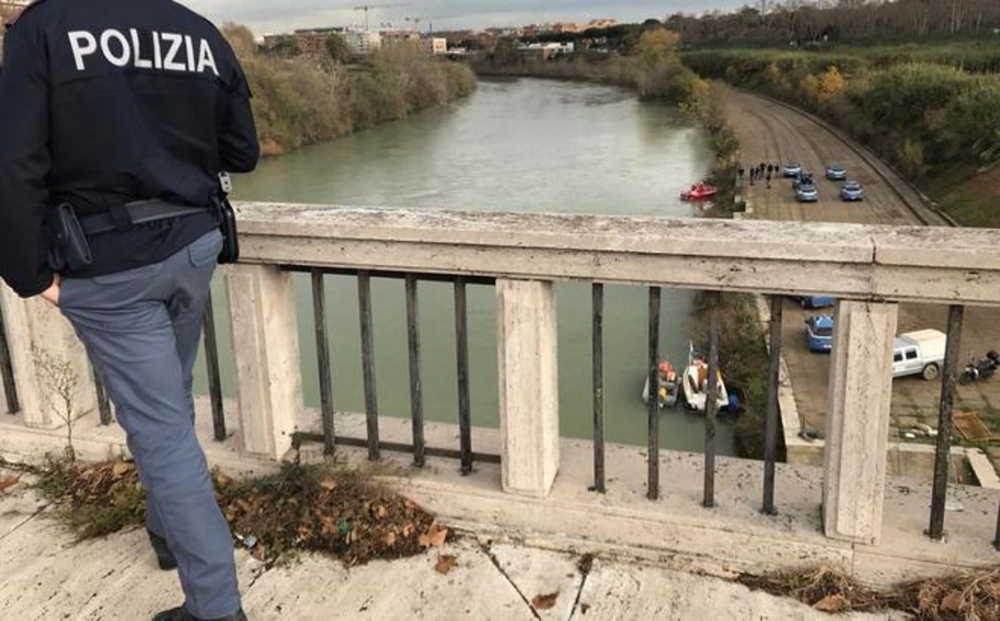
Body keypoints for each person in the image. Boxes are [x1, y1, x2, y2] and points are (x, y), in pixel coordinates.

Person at [0, 1, 259, 620]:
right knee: (169, 402)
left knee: (162, 429)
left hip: (112, 268)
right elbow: (242, 151)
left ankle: (216, 610)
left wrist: (30, 276)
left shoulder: (45, 28)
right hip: (194, 246)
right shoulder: (196, 31)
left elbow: (13, 162)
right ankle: (169, 535)